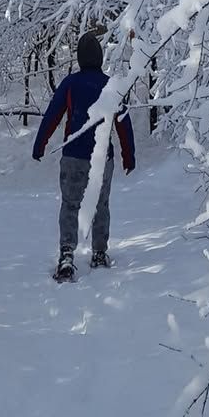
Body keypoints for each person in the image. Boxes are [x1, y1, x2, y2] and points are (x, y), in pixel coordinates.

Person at [32, 32, 135, 280]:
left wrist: (40, 144)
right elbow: (124, 122)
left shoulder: (70, 84)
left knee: (70, 204)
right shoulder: (111, 86)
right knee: (101, 205)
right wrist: (128, 155)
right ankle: (99, 253)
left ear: (79, 58)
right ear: (99, 58)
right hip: (102, 158)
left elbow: (52, 115)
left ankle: (67, 254)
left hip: (74, 157)